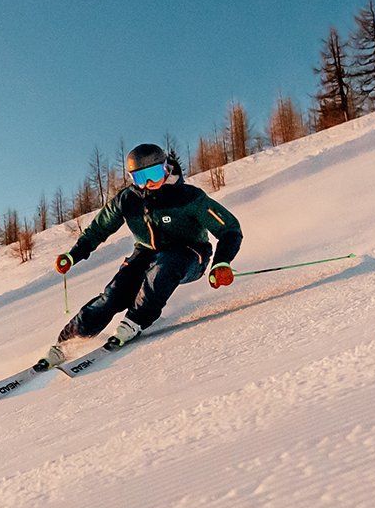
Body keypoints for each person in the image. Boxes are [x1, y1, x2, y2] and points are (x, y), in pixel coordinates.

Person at [39, 143, 243, 369]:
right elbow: (99, 229)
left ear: (166, 168)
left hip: (190, 253)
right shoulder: (128, 200)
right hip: (146, 253)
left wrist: (221, 263)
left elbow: (230, 229)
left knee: (163, 267)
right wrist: (73, 255)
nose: (148, 183)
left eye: (153, 174)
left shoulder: (189, 197)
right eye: (139, 178)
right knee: (113, 295)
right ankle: (67, 342)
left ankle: (134, 321)